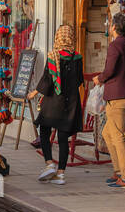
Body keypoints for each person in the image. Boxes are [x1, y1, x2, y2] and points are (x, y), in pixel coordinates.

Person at [29, 25, 85, 186]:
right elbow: (80, 80)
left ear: (58, 38)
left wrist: (34, 93)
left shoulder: (53, 56)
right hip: (71, 103)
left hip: (53, 102)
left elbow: (47, 80)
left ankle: (49, 164)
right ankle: (60, 174)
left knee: (44, 131)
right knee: (62, 138)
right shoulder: (78, 57)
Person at [95, 12, 125, 190]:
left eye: (111, 24)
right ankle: (118, 171)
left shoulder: (115, 46)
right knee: (108, 133)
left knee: (117, 137)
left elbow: (109, 70)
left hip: (117, 96)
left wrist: (100, 79)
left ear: (114, 27)